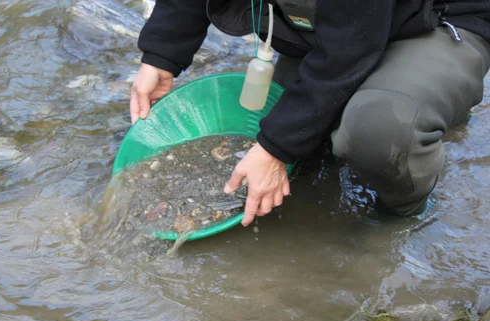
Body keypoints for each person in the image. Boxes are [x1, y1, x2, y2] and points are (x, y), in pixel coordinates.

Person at [129, 0, 490, 226]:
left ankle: (406, 214)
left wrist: (276, 148)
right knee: (302, 135)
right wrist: (162, 55)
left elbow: (347, 54)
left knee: (378, 133)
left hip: (431, 24)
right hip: (332, 27)